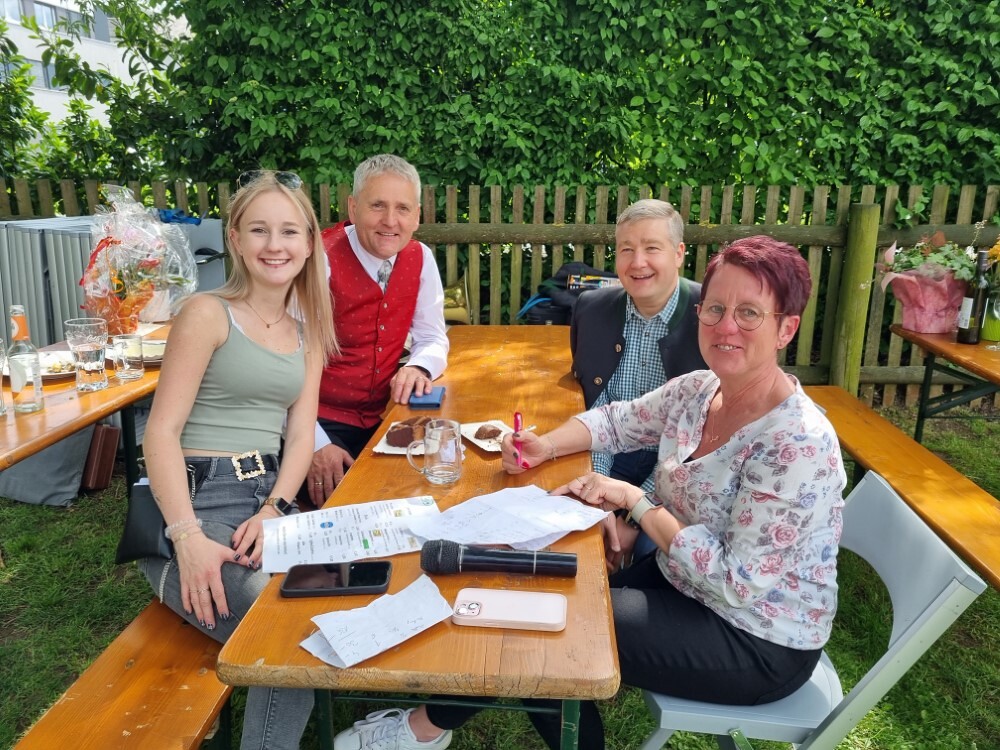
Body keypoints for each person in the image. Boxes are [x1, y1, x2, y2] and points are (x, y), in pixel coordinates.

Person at [332, 236, 846, 750]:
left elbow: (737, 583)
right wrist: (545, 446)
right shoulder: (700, 389)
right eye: (715, 308)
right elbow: (617, 421)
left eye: (749, 313)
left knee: (548, 631)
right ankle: (428, 727)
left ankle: (423, 729)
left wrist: (634, 501)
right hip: (682, 580)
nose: (726, 326)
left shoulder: (796, 442)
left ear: (786, 328)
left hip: (754, 636)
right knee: (538, 601)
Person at [139, 170, 338, 750]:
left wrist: (276, 508)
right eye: (259, 230)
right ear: (235, 238)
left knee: (335, 602)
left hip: (266, 501)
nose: (275, 245)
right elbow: (160, 433)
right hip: (194, 504)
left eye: (289, 231)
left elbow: (299, 438)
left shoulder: (309, 331)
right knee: (287, 630)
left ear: (309, 244)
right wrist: (187, 537)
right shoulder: (207, 313)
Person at [307, 154, 449, 506]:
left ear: (417, 215)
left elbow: (433, 337)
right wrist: (313, 444)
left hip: (386, 414)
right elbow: (281, 362)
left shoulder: (420, 257)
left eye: (402, 208)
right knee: (349, 506)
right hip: (318, 420)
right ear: (353, 208)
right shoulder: (318, 260)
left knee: (435, 477)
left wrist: (418, 366)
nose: (390, 220)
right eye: (377, 206)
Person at [571, 198, 706, 567]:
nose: (637, 262)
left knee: (654, 558)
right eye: (626, 249)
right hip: (604, 458)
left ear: (679, 254)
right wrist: (597, 495)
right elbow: (596, 407)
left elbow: (703, 441)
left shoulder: (711, 319)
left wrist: (635, 516)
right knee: (559, 531)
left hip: (679, 474)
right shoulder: (590, 309)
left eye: (652, 248)